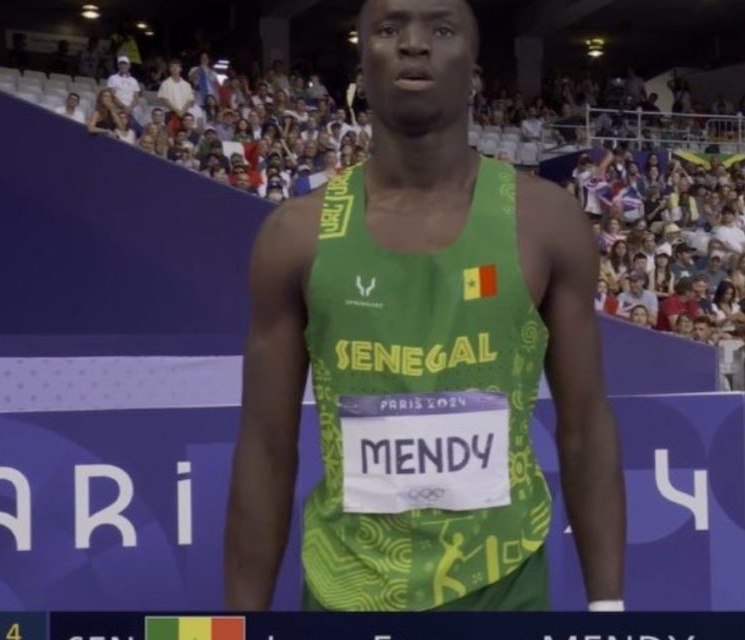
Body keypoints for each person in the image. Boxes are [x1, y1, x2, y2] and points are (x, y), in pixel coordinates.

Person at [225, 0, 626, 614]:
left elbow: (585, 424)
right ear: (361, 65)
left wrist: (608, 607)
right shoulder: (296, 235)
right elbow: (265, 446)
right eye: (389, 29)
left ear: (475, 71)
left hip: (505, 587)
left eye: (441, 29)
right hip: (345, 591)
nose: (414, 44)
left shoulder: (545, 221)